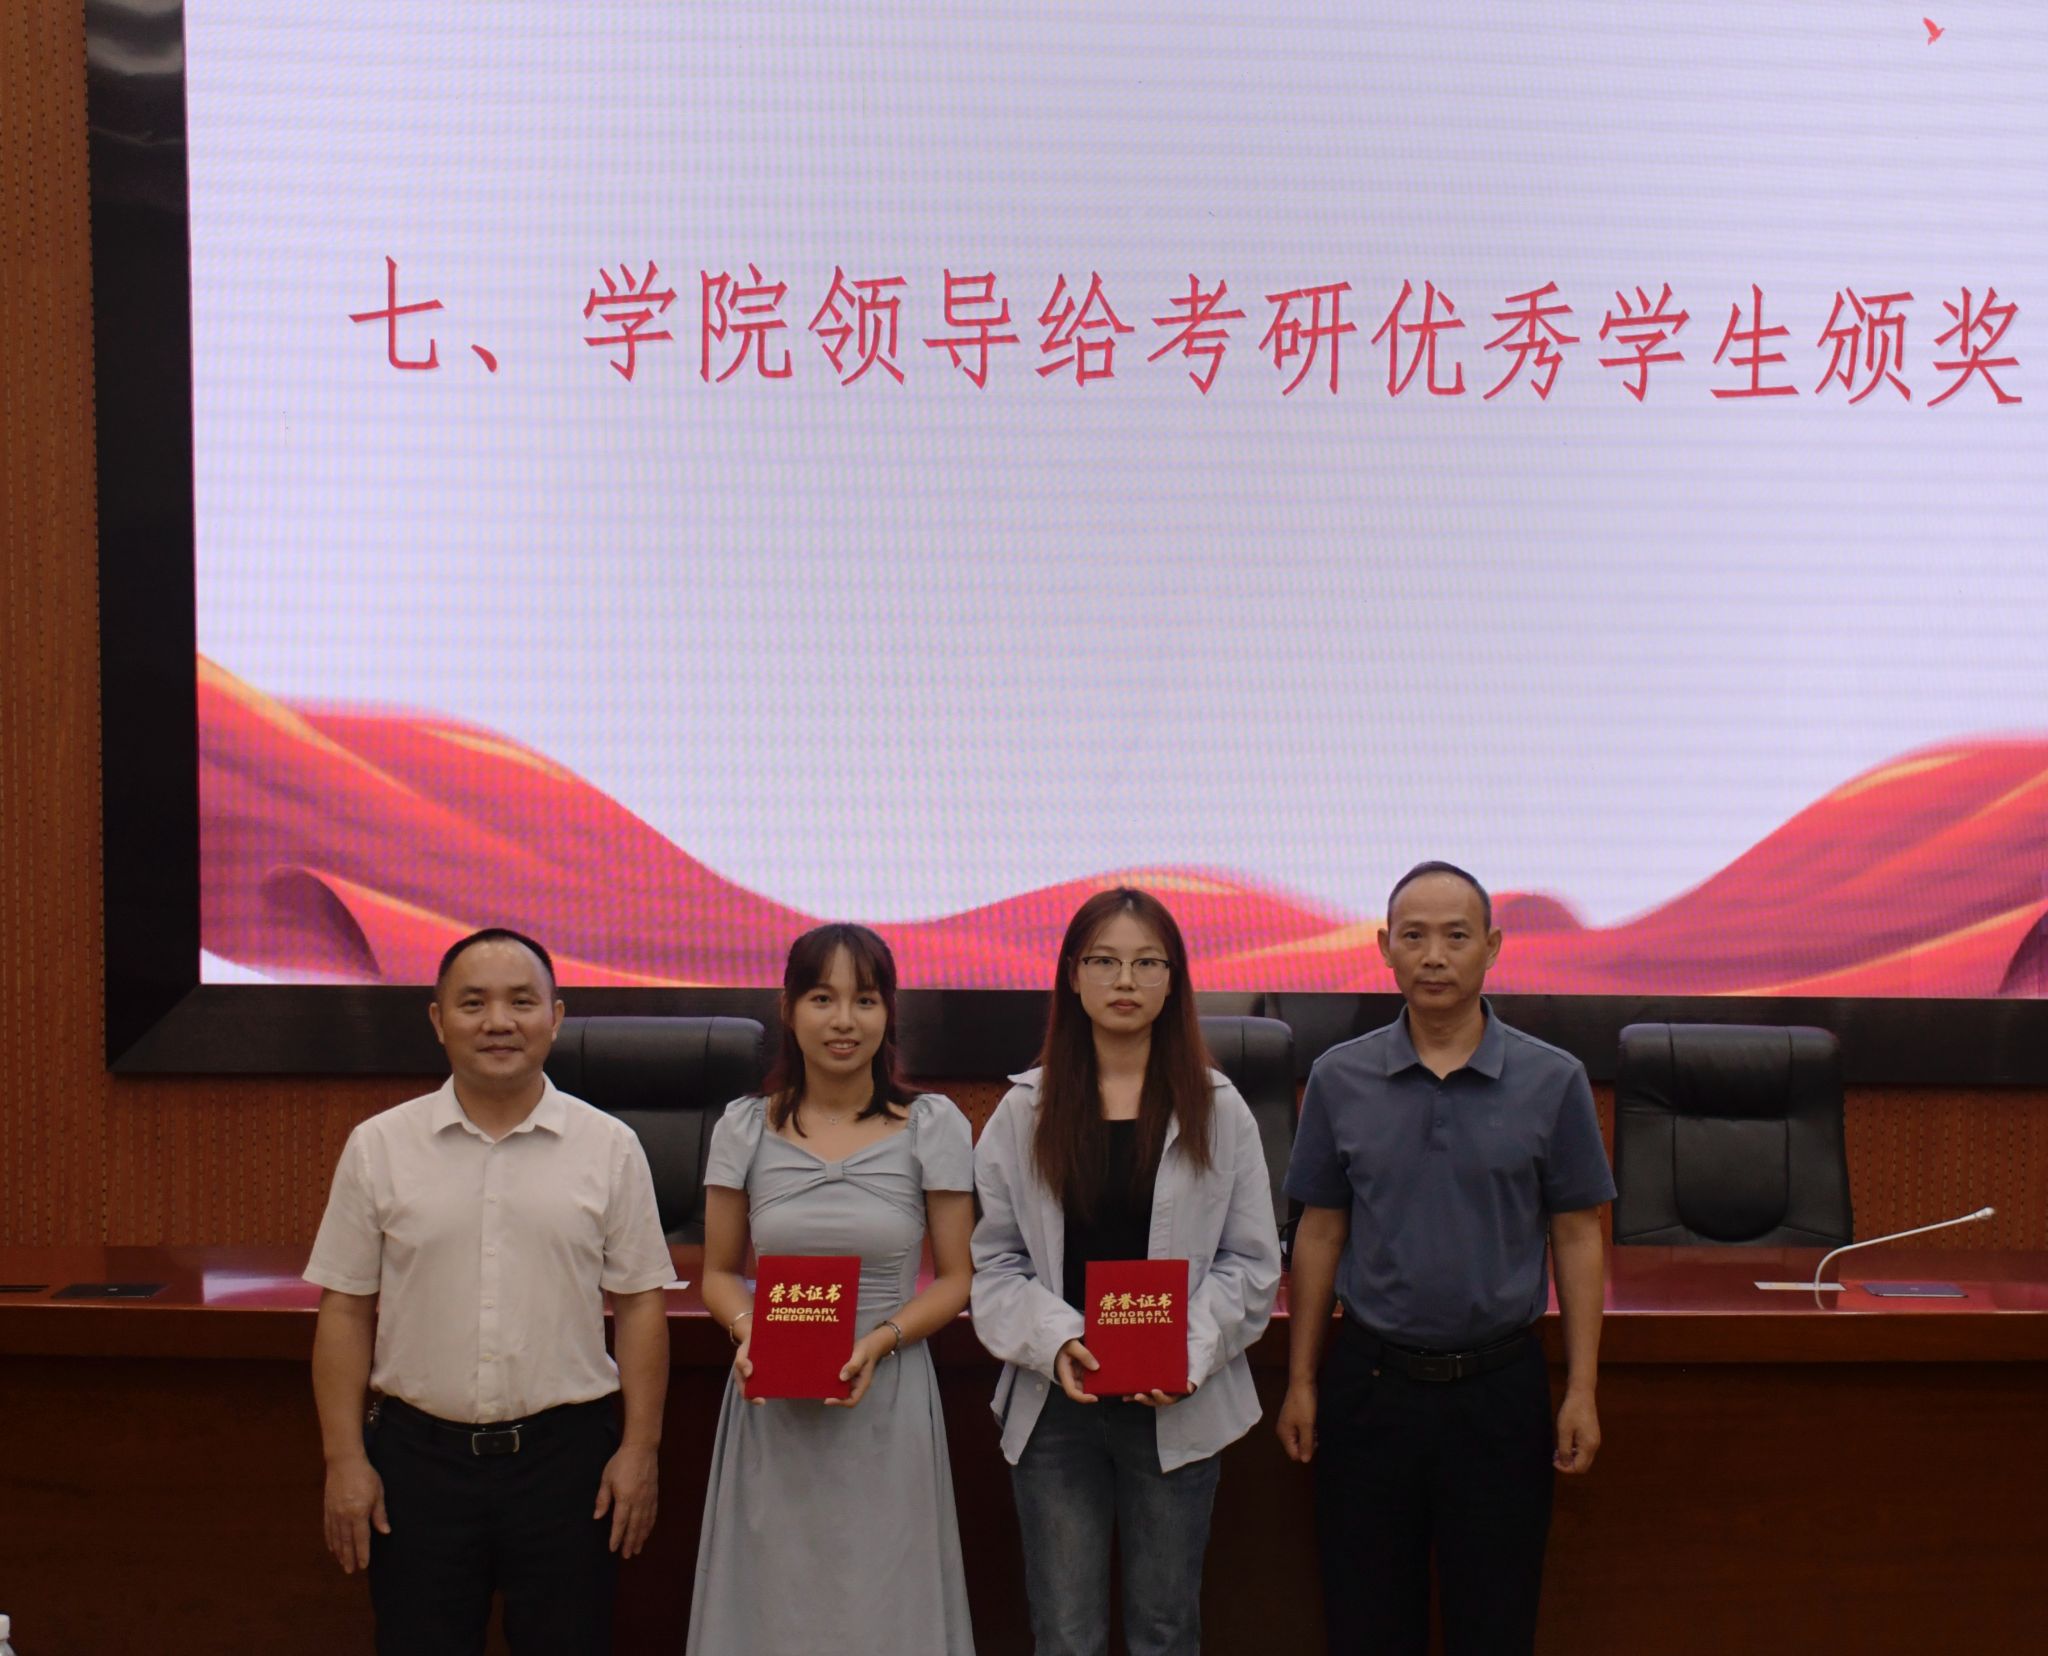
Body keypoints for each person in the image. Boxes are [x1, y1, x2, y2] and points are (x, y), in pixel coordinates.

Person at [306, 927, 674, 1656]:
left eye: (521, 1002)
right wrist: (344, 1459)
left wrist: (641, 1448)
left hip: (567, 1466)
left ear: (555, 1018)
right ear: (438, 1020)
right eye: (473, 1003)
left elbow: (639, 1306)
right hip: (418, 1465)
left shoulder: (609, 1146)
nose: (498, 1021)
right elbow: (345, 1308)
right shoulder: (379, 1146)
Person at [1278, 862, 1614, 1656]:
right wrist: (1302, 1379)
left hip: (1500, 1390)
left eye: (1456, 936)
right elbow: (1320, 1232)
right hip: (1371, 1387)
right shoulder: (1338, 1078)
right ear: (1384, 948)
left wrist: (1582, 1389)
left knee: (1494, 1625)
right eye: (1415, 936)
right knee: (1366, 1624)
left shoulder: (1553, 1079)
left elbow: (1577, 1236)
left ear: (1491, 947)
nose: (1434, 956)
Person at [972, 887, 1282, 1656]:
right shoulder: (1022, 1112)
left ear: (1173, 981)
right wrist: (1058, 1339)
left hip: (1176, 1403)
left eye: (1147, 963)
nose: (1124, 980)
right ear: (1072, 976)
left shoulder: (1219, 1109)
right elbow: (996, 1265)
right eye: (1104, 961)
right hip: (1057, 1407)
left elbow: (1252, 1263)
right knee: (1066, 1636)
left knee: (1165, 1632)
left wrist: (1185, 1349)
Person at [689, 924, 977, 1656]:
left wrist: (882, 1340)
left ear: (888, 1013)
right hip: (772, 1400)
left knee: (882, 1602)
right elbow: (719, 1272)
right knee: (775, 1603)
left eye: (865, 1000)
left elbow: (957, 1278)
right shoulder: (744, 1126)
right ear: (788, 1009)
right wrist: (751, 1330)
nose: (844, 1020)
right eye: (823, 998)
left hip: (888, 1396)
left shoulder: (933, 1125)